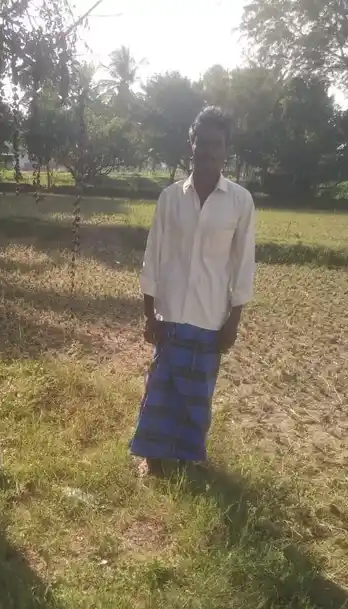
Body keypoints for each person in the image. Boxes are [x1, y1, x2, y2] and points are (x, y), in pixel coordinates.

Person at [130, 106, 256, 476]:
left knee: (196, 397)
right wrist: (148, 312)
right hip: (169, 313)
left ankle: (186, 463)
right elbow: (154, 254)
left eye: (217, 144)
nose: (209, 151)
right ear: (192, 144)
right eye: (203, 142)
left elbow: (243, 264)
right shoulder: (170, 197)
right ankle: (153, 462)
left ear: (225, 150)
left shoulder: (239, 201)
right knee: (161, 391)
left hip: (209, 317)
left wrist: (234, 320)